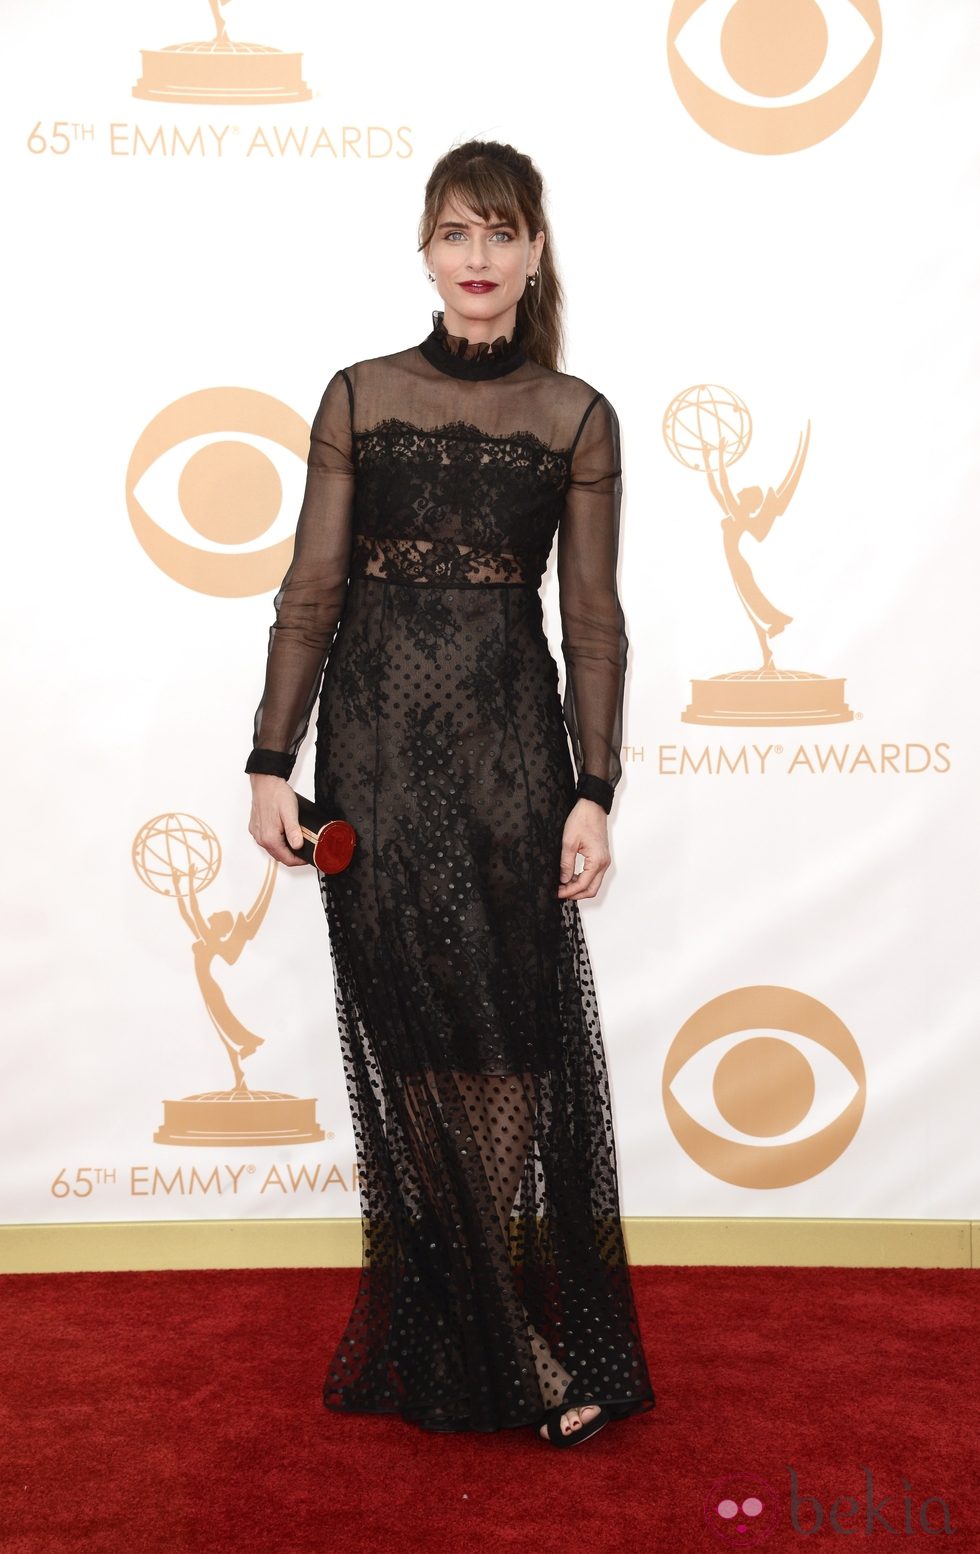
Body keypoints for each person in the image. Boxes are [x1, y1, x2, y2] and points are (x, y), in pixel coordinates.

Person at [245, 139, 656, 1447]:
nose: (477, 260)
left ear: (536, 251)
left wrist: (593, 785)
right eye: (454, 235)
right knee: (414, 1036)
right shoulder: (359, 394)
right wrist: (271, 755)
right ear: (426, 253)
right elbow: (311, 589)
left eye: (501, 233)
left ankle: (489, 1329)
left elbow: (592, 616)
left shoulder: (575, 415)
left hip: (509, 763)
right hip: (371, 751)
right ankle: (503, 1331)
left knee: (501, 1038)